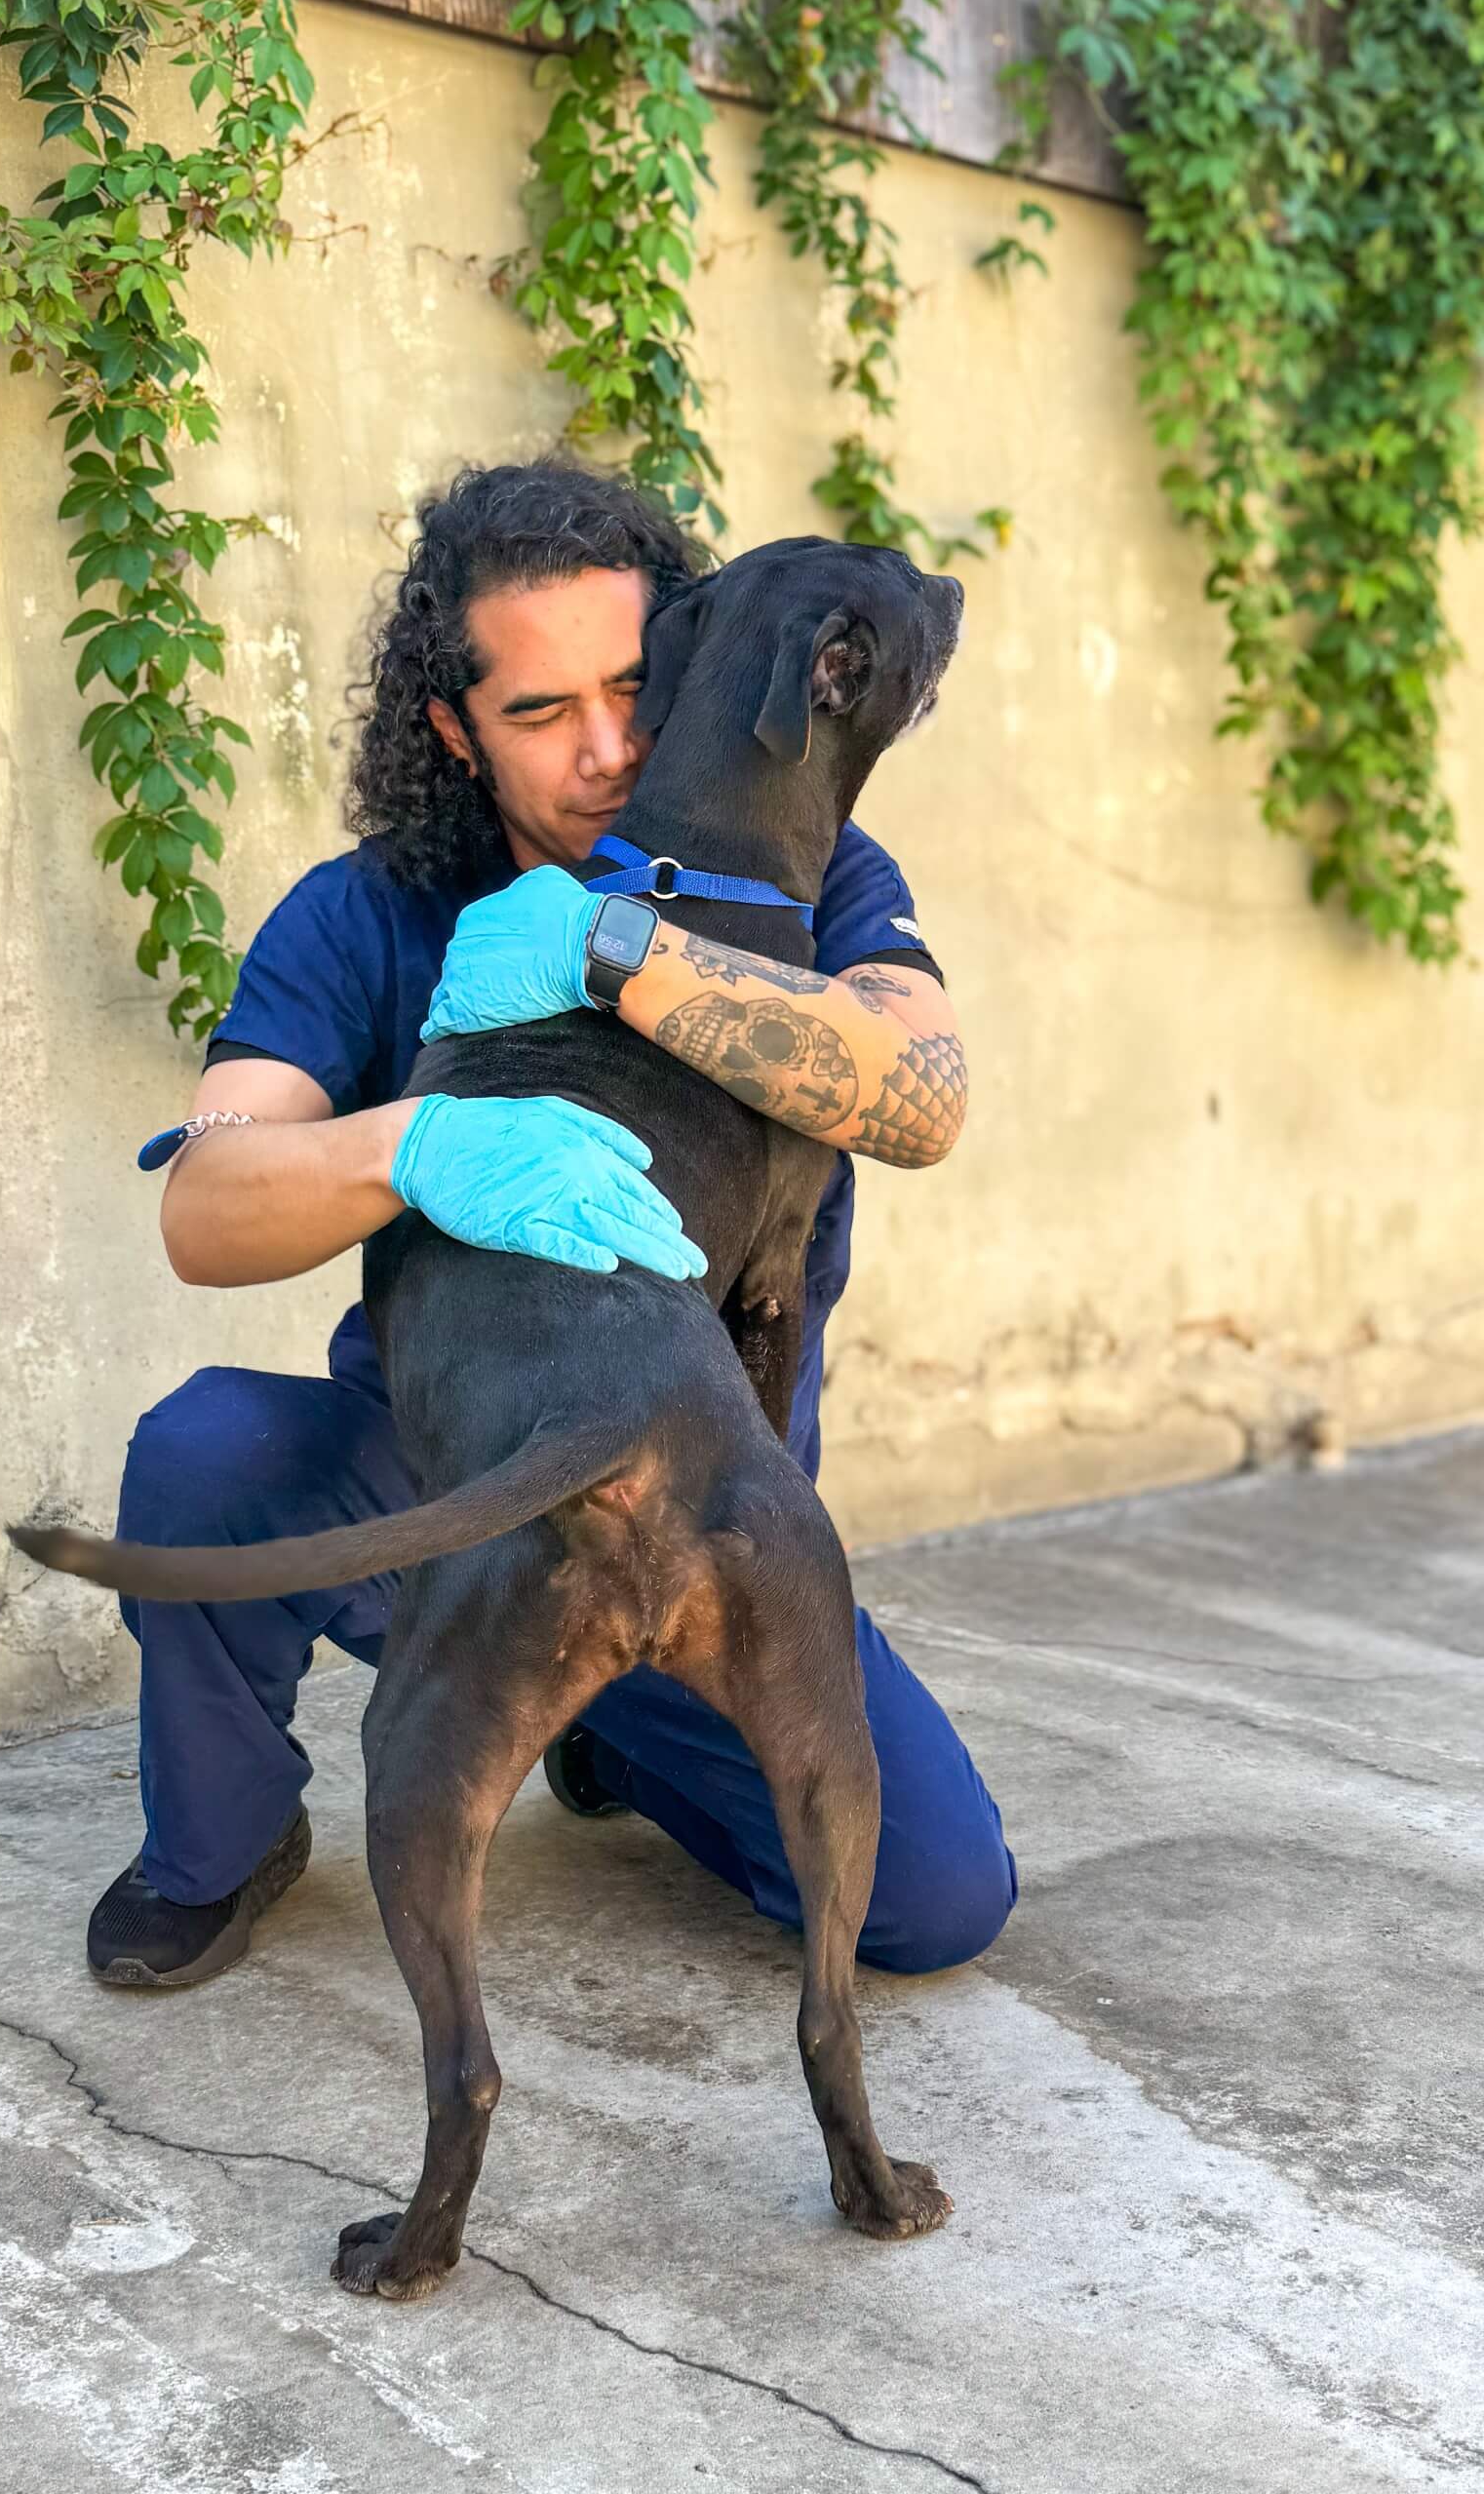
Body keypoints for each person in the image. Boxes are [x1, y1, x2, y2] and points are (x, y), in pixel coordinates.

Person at [88, 460, 1018, 1990]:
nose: (606, 748)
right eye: (539, 711)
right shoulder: (368, 911)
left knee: (934, 1903)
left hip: (702, 1507)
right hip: (455, 1481)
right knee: (206, 1457)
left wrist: (620, 955)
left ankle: (618, 1730)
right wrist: (413, 1143)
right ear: (455, 729)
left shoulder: (805, 868)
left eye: (633, 689)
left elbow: (921, 1100)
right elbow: (206, 1205)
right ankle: (221, 1843)